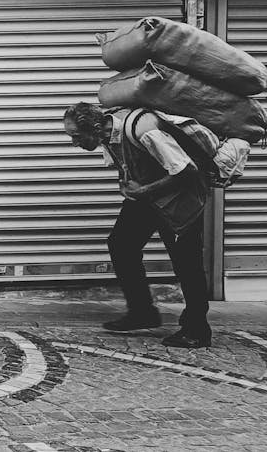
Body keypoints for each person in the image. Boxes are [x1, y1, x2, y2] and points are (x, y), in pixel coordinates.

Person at [63, 102, 213, 349]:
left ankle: (197, 329)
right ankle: (142, 312)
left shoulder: (143, 130)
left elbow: (187, 170)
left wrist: (143, 190)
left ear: (96, 127)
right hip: (149, 200)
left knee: (186, 264)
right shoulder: (109, 134)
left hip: (181, 201)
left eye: (77, 137)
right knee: (121, 244)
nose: (75, 143)